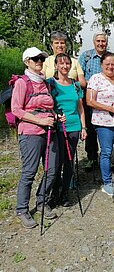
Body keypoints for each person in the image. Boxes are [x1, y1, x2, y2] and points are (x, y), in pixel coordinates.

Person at [12, 47, 58, 228]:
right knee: (29, 172)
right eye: (35, 58)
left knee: (52, 169)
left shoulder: (45, 83)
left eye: (41, 58)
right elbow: (17, 110)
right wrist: (40, 120)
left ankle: (41, 202)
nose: (39, 61)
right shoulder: (22, 83)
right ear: (27, 62)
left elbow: (48, 106)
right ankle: (22, 209)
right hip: (30, 133)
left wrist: (54, 116)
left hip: (49, 130)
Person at [86, 52, 114, 196]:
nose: (110, 67)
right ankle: (106, 182)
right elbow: (90, 101)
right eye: (107, 64)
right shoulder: (95, 79)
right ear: (102, 65)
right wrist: (109, 108)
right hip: (103, 121)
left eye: (113, 64)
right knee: (106, 151)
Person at [78, 31, 114, 172]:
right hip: (90, 98)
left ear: (106, 42)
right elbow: (78, 74)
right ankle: (92, 157)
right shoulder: (85, 56)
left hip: (109, 100)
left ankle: (109, 156)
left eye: (103, 41)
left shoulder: (111, 58)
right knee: (91, 129)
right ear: (94, 42)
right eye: (98, 41)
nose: (101, 43)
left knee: (109, 129)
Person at [48, 53, 87, 207]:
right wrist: (55, 115)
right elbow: (46, 104)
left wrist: (84, 127)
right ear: (56, 66)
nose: (64, 66)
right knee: (56, 163)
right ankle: (54, 194)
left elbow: (80, 107)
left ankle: (65, 193)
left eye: (67, 63)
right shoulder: (51, 83)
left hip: (74, 126)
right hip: (57, 127)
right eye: (61, 63)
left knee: (69, 161)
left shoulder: (75, 85)